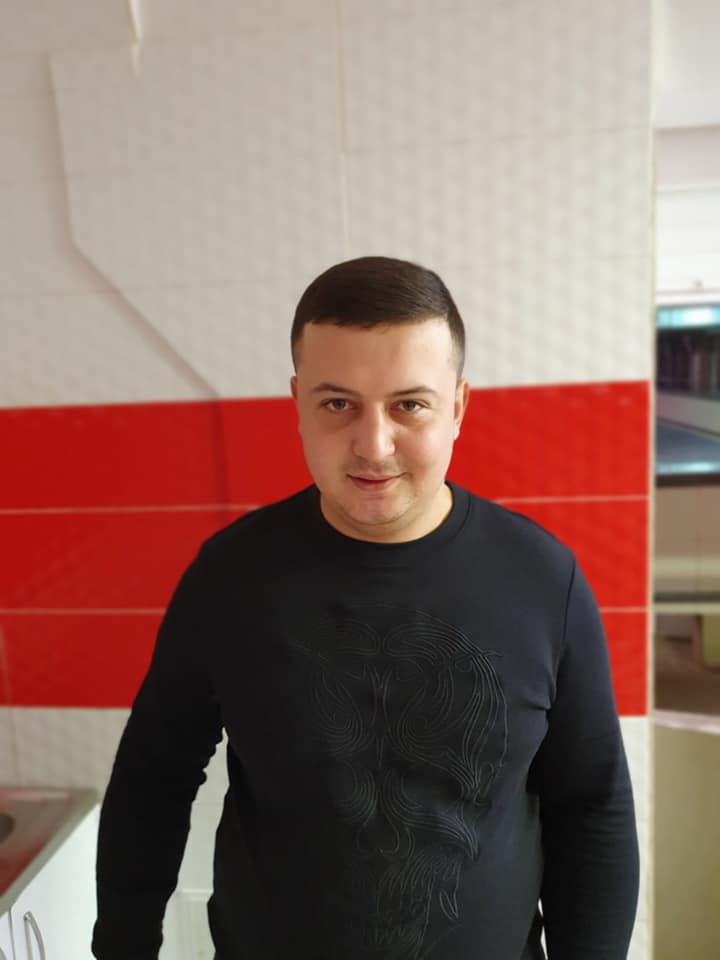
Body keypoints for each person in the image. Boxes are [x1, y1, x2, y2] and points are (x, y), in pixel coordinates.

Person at [92, 256, 639, 960]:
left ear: (458, 407)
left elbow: (591, 805)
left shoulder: (542, 580)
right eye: (337, 404)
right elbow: (152, 780)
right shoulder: (229, 579)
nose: (373, 445)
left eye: (409, 405)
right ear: (298, 402)